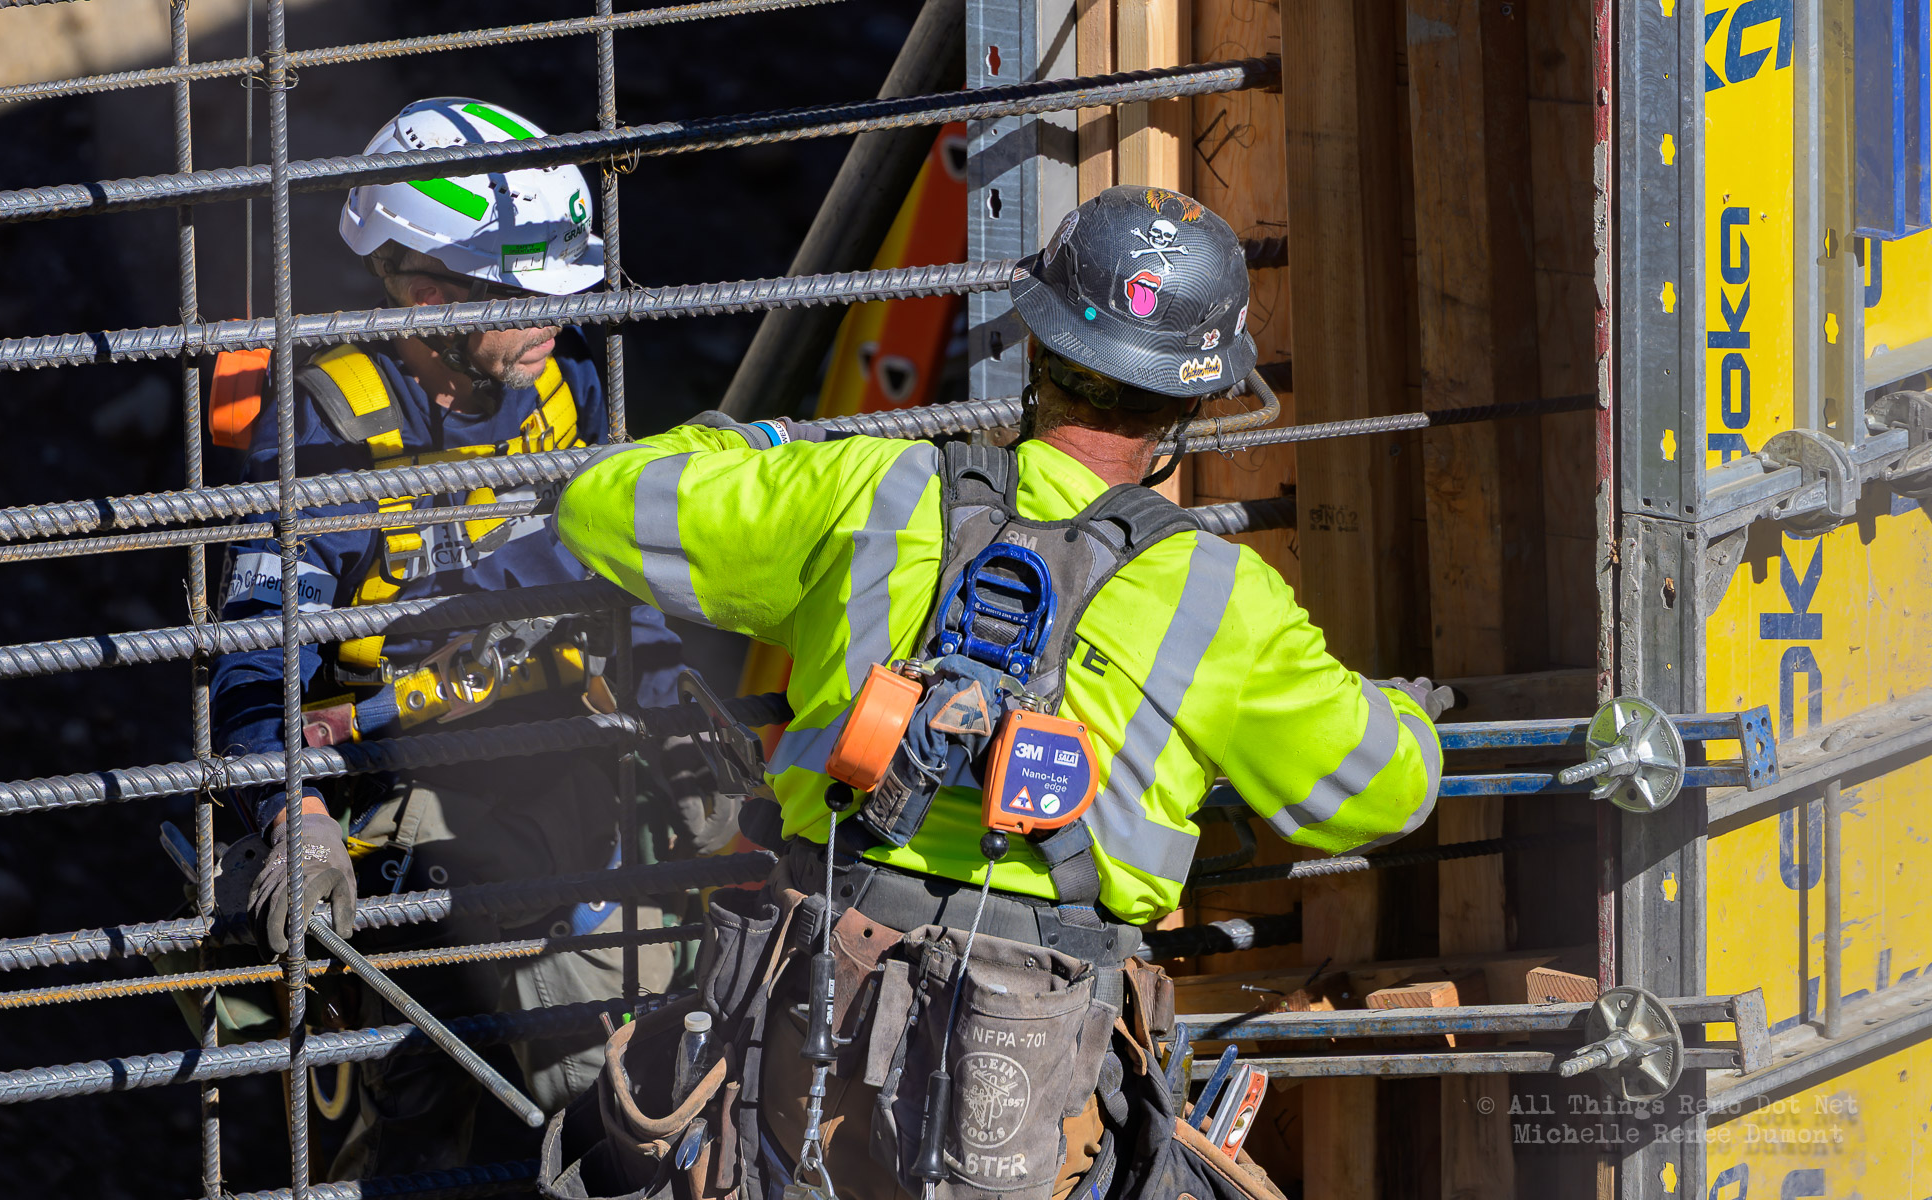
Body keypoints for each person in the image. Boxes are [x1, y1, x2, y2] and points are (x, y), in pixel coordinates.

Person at [544, 186, 1447, 1200]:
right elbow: (1387, 791)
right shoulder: (1223, 600)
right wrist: (1406, 714)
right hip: (1040, 1085)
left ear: (1038, 345)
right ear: (1191, 401)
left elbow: (600, 504)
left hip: (801, 1058)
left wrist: (771, 448)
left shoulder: (868, 492)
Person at [209, 97, 713, 1176]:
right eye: (526, 294)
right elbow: (253, 658)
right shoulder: (331, 433)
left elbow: (627, 574)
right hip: (400, 805)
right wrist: (296, 816)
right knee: (423, 1123)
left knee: (637, 1076)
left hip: (562, 774)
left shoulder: (566, 384)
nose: (556, 317)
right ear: (427, 295)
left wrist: (677, 719)